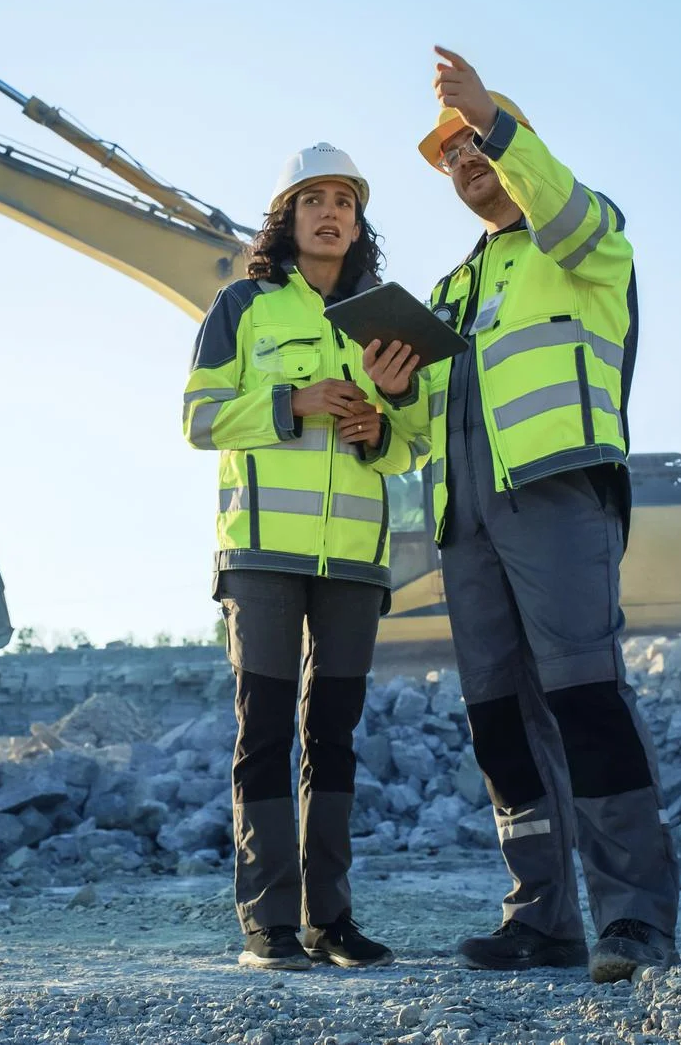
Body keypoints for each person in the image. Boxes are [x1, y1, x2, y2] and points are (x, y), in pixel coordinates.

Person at [390, 47, 679, 982]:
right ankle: (541, 917)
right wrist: (389, 394)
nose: (467, 159)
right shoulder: (447, 294)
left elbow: (562, 205)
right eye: (455, 155)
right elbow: (416, 430)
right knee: (500, 727)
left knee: (586, 699)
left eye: (479, 142)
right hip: (465, 524)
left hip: (557, 496)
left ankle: (634, 919)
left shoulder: (588, 241)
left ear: (519, 148)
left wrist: (498, 121)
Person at [181, 143, 422, 971]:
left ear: (359, 223)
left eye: (345, 202)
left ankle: (332, 922)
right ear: (287, 219)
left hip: (356, 560)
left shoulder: (388, 318)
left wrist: (378, 427)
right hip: (263, 555)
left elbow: (412, 449)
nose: (331, 213)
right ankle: (269, 925)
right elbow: (199, 420)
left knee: (336, 737)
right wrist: (294, 402)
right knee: (265, 733)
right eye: (314, 199)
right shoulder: (242, 308)